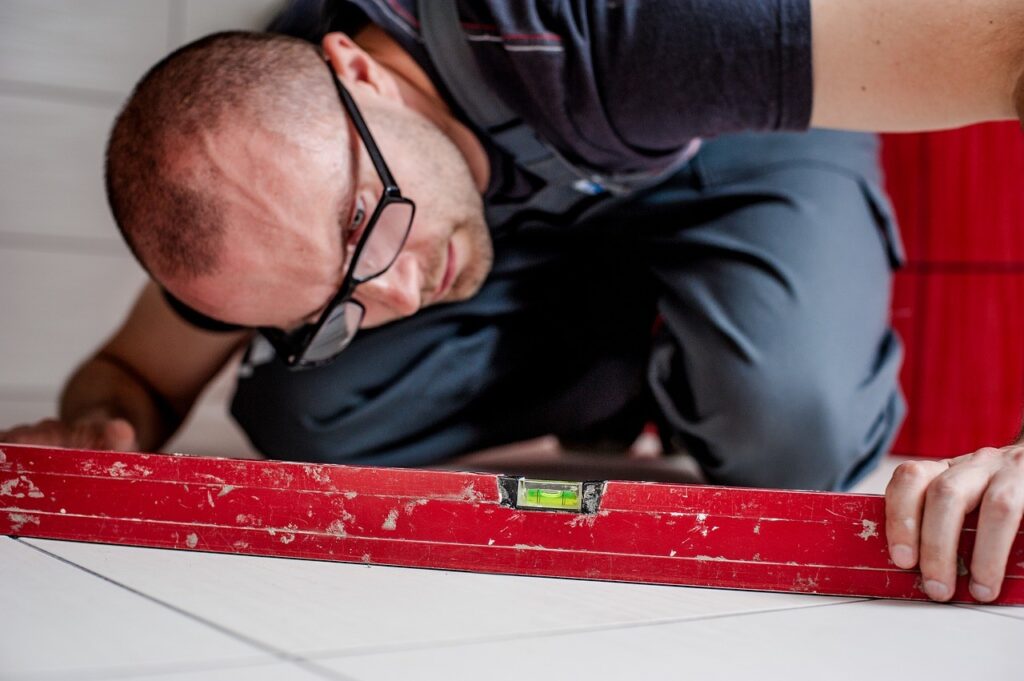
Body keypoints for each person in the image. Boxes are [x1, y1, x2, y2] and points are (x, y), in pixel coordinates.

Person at [2, 0, 1023, 605]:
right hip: (544, 223)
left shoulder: (623, 32)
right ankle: (622, 373)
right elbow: (134, 369)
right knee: (303, 410)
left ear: (358, 71)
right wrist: (101, 427)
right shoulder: (263, 184)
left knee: (791, 432)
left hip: (745, 145)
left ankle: (717, 346)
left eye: (366, 223)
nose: (397, 292)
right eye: (337, 300)